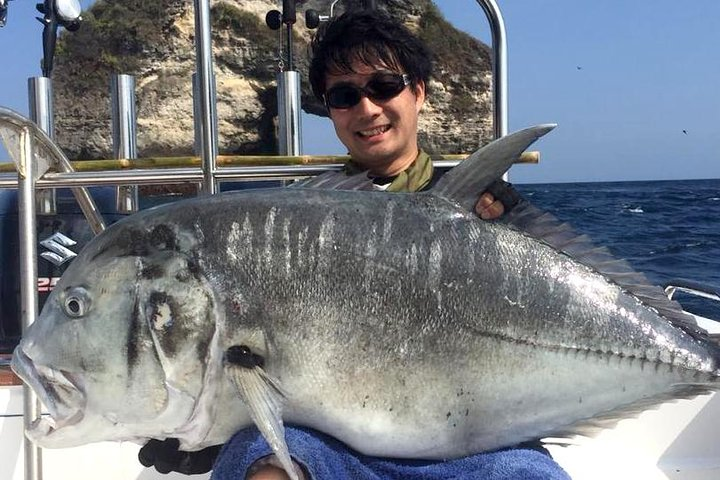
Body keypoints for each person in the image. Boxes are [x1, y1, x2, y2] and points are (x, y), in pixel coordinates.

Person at [140, 8, 568, 480]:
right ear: (331, 110)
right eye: (345, 96)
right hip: (331, 442)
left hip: (478, 437)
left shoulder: (483, 208)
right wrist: (198, 436)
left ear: (418, 92)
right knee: (265, 468)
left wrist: (512, 238)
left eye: (384, 86)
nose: (367, 108)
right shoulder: (288, 226)